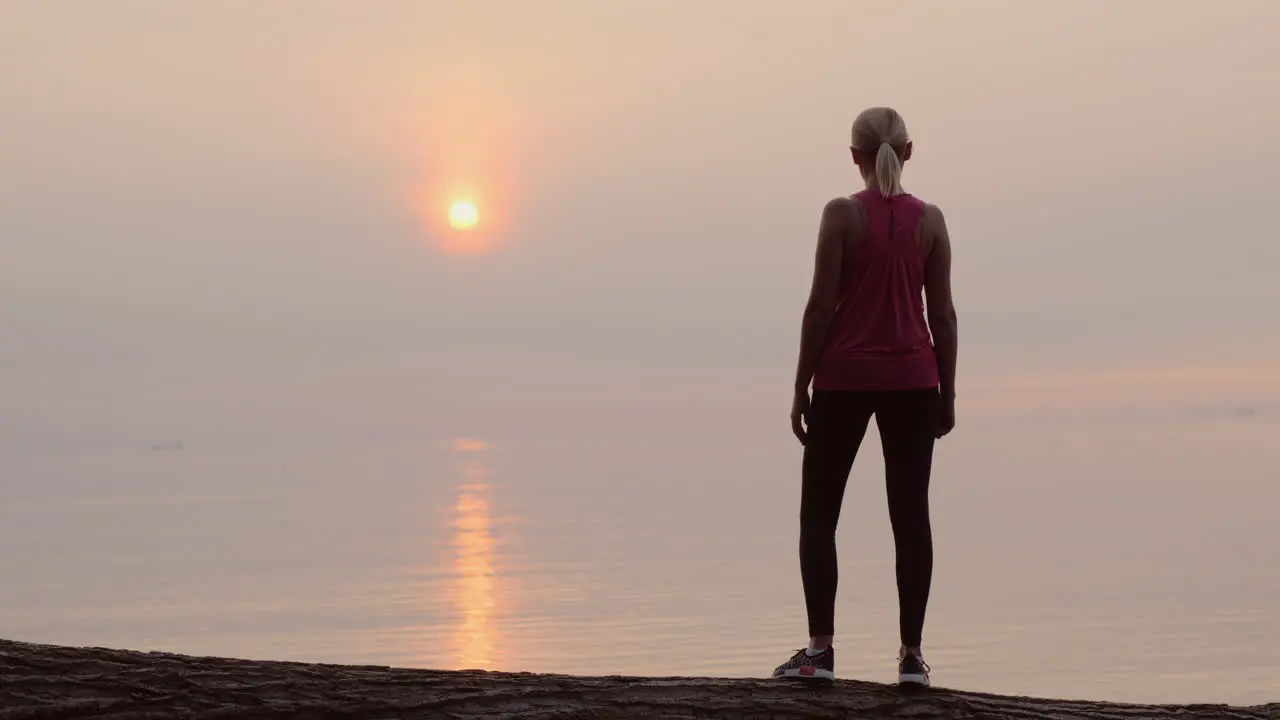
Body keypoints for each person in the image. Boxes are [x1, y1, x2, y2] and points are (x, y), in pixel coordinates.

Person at [770, 107, 958, 687]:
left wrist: (801, 382)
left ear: (855, 157)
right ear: (908, 151)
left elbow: (819, 308)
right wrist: (947, 393)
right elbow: (943, 316)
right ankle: (911, 660)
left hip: (843, 381)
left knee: (820, 517)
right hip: (913, 382)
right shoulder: (930, 221)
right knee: (911, 519)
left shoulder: (842, 215)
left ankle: (820, 654)